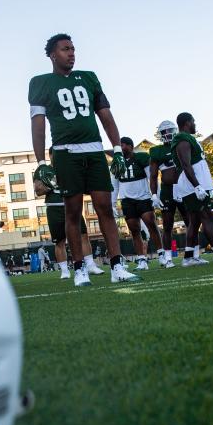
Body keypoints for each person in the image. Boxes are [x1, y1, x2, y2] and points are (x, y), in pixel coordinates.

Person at [29, 33, 139, 286]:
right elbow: (38, 125)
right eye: (66, 49)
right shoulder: (40, 83)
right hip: (65, 152)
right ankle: (79, 269)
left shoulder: (89, 77)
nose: (71, 53)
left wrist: (117, 149)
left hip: (94, 149)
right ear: (52, 55)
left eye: (73, 49)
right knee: (73, 212)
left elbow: (105, 115)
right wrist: (40, 162)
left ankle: (117, 265)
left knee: (105, 208)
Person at [171, 112, 213, 266]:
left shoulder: (190, 139)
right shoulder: (182, 139)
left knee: (195, 221)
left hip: (197, 186)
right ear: (187, 123)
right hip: (192, 186)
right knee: (206, 216)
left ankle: (188, 257)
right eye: (193, 122)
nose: (195, 124)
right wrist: (197, 186)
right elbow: (186, 164)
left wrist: (208, 186)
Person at [32, 163, 104, 279]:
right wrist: (50, 185)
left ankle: (91, 265)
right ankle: (64, 271)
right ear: (51, 155)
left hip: (71, 204)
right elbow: (38, 191)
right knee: (59, 241)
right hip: (54, 207)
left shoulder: (70, 164)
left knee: (83, 236)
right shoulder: (43, 170)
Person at [111, 137, 164, 270]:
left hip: (143, 197)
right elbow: (114, 185)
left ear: (130, 146)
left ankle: (161, 254)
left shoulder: (141, 157)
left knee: (151, 224)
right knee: (134, 229)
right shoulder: (117, 162)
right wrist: (112, 203)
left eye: (123, 145)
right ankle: (142, 259)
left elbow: (151, 177)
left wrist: (156, 195)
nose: (121, 148)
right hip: (127, 200)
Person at [149, 120, 187, 268]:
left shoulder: (182, 145)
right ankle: (168, 258)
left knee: (191, 221)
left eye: (170, 130)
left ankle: (192, 254)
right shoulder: (156, 151)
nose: (168, 134)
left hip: (184, 187)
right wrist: (154, 194)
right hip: (167, 189)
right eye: (164, 132)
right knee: (167, 225)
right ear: (160, 134)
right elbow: (153, 175)